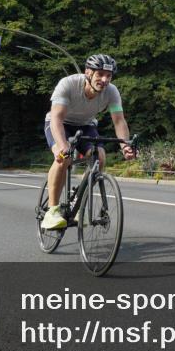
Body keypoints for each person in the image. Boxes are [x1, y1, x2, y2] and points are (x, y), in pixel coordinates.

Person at [42, 54, 136, 230]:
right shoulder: (68, 84)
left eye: (108, 76)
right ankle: (52, 212)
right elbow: (56, 118)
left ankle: (79, 202)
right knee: (64, 158)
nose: (104, 80)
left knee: (99, 156)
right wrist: (62, 147)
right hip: (60, 123)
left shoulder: (112, 92)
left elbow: (119, 121)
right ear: (88, 72)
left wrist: (125, 146)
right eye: (100, 74)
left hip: (86, 125)